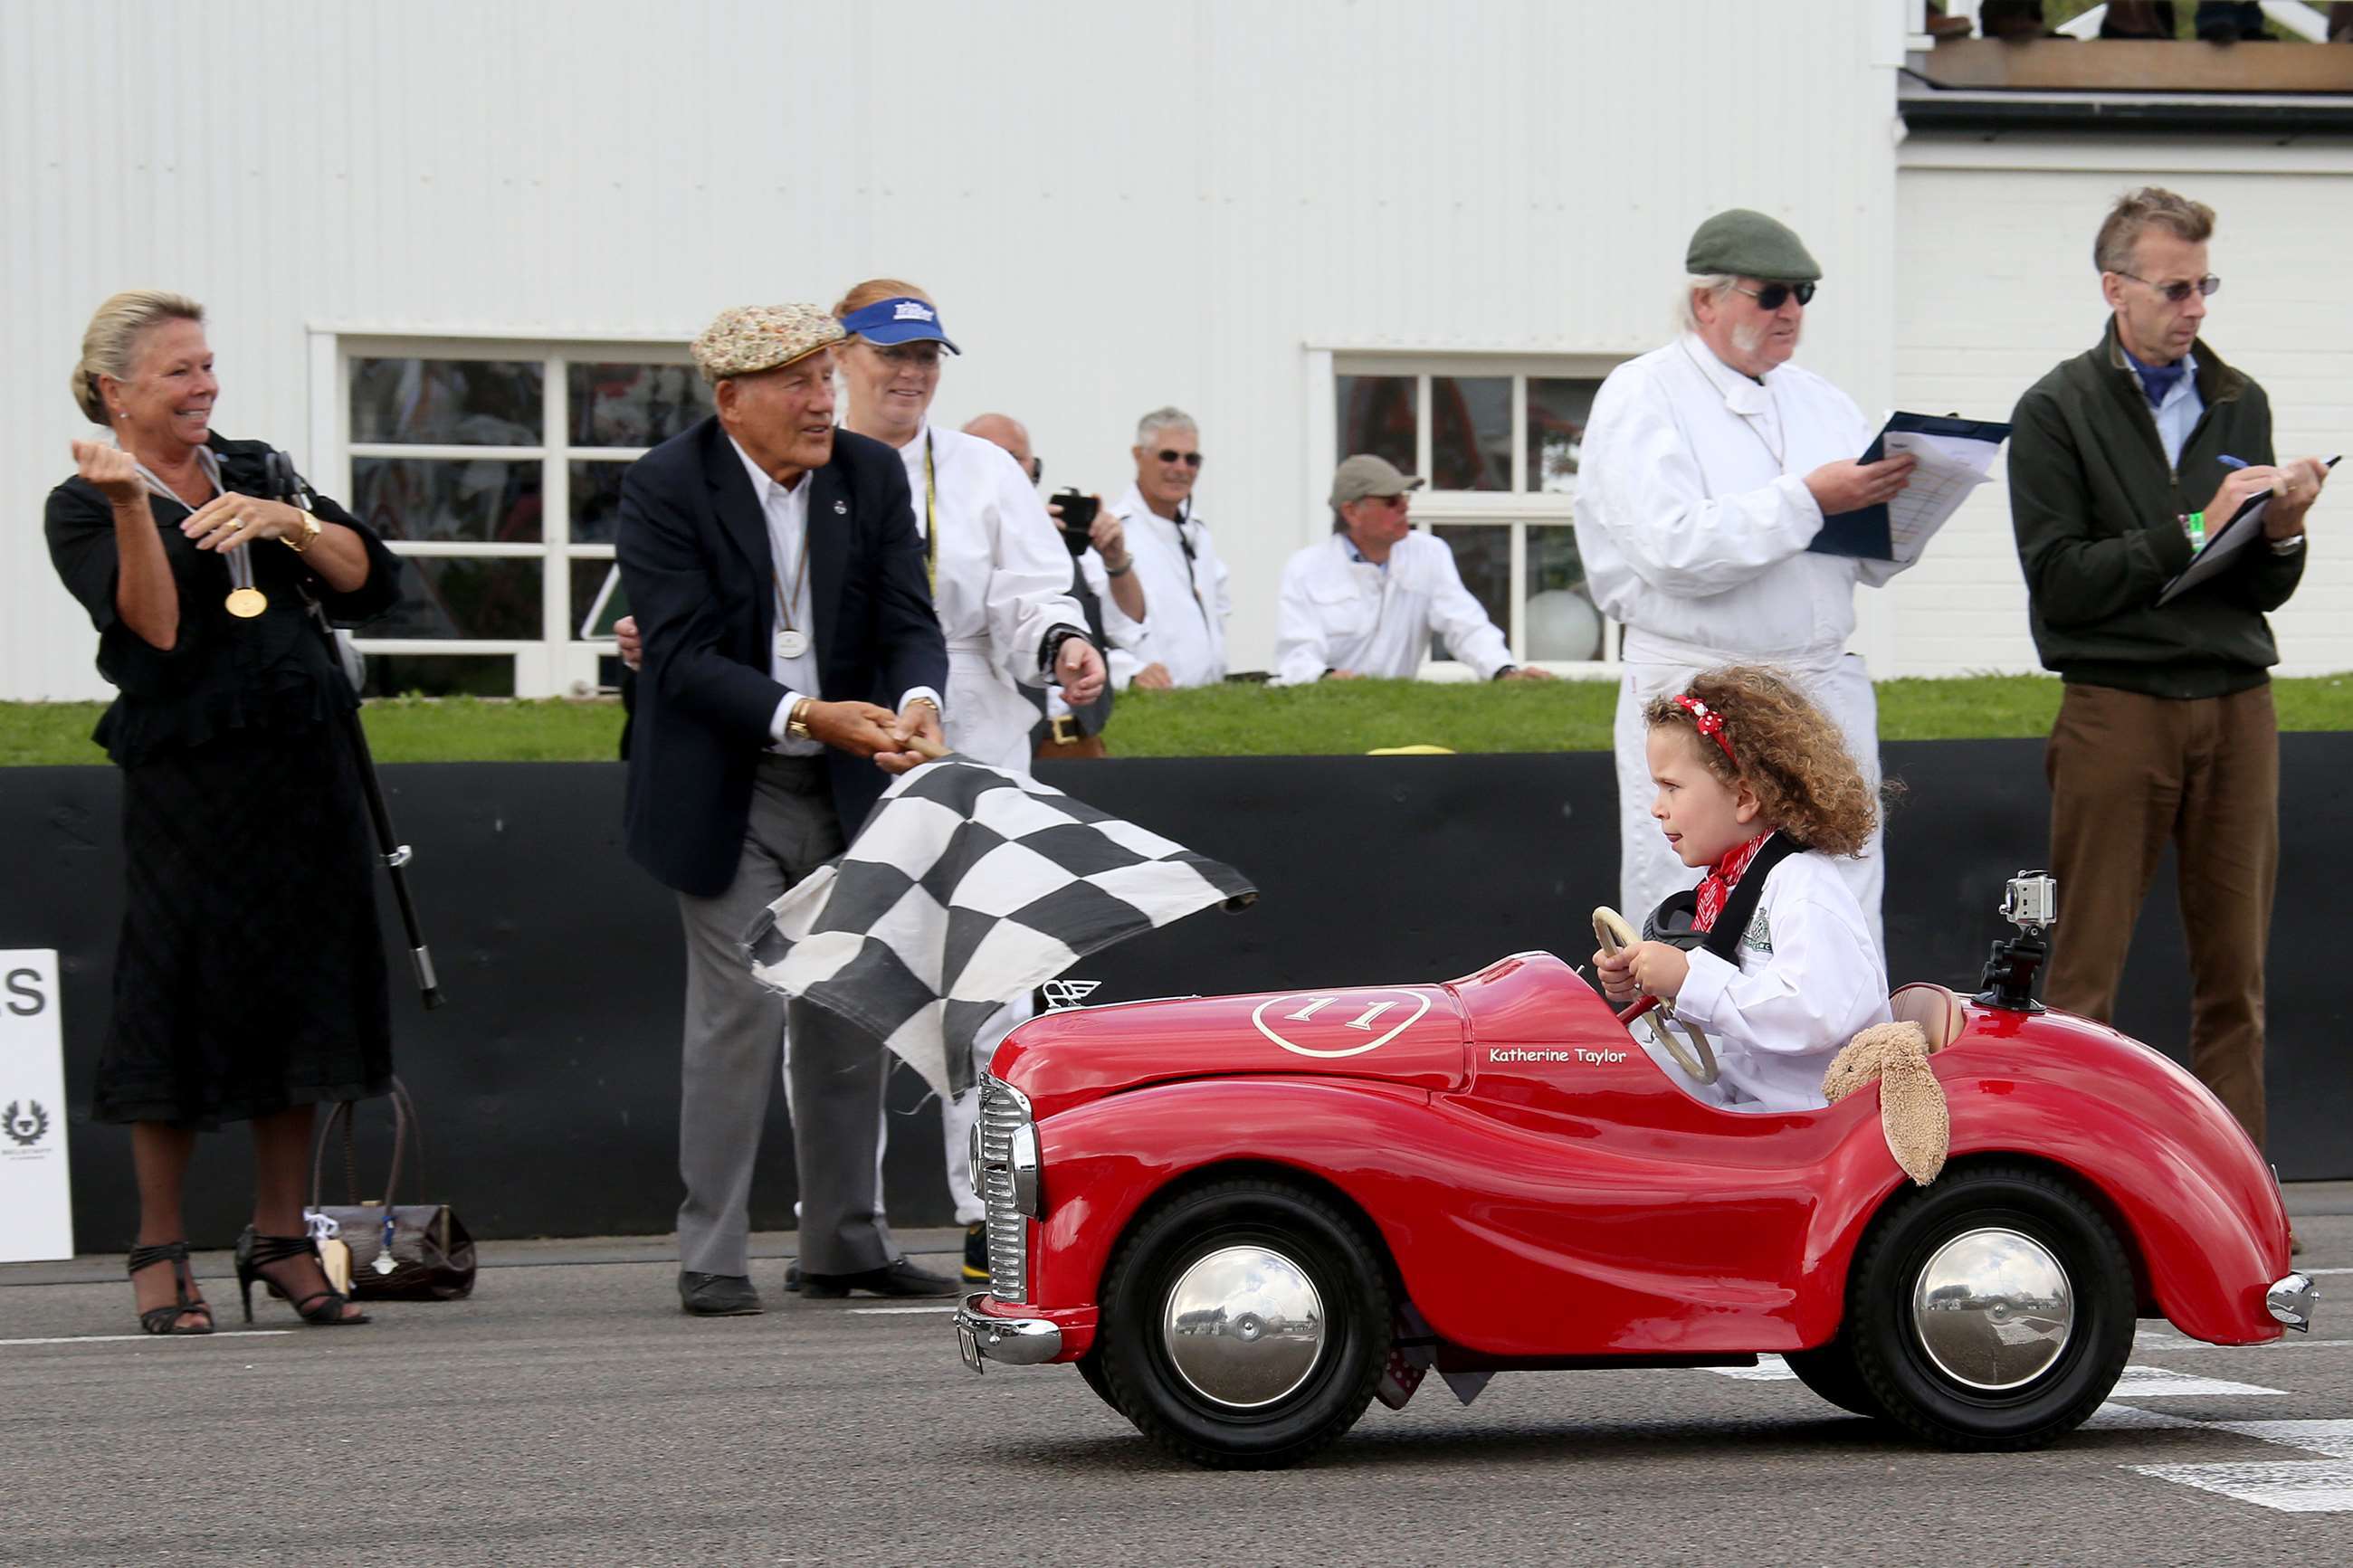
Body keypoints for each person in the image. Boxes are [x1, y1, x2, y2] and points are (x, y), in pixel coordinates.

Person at [44, 290, 402, 1333]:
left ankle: (283, 1236)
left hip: (305, 766)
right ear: (117, 391)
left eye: (206, 365)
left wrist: (289, 518)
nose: (204, 386)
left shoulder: (258, 465)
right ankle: (159, 1245)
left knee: (299, 997)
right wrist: (126, 506)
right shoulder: (81, 501)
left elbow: (370, 578)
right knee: (179, 995)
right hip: (192, 783)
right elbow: (153, 631)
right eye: (178, 371)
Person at [616, 302, 957, 1313]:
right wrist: (810, 712)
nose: (823, 400)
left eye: (824, 376)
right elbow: (676, 658)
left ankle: (843, 1244)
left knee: (850, 1014)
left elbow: (908, 618)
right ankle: (711, 1254)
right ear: (732, 400)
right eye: (797, 383)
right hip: (729, 783)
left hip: (852, 780)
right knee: (740, 1016)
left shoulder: (870, 472)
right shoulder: (664, 483)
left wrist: (916, 707)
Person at [2007, 186, 2330, 1155]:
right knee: (2081, 974)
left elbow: (2262, 589)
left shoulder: (2240, 397)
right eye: (2174, 287)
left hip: (2236, 705)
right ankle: (2066, 1175)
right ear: (2114, 288)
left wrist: (2281, 530)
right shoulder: (2054, 408)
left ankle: (2232, 1187)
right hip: (2116, 707)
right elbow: (2060, 583)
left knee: (2234, 975)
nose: (2194, 308)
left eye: (2203, 286)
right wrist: (2193, 525)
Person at [831, 280, 1106, 1279]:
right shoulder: (808, 458)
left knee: (995, 979)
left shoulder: (981, 468)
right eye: (888, 354)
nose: (909, 374)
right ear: (839, 355)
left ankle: (990, 1211)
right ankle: (838, 1217)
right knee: (848, 974)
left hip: (979, 731)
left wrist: (1063, 641)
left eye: (925, 357)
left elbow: (1029, 594)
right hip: (841, 731)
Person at [1574, 208, 1918, 951]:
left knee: (1842, 886)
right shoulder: (1643, 395)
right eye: (1772, 294)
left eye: (1802, 294)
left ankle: (1844, 1063)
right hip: (1700, 681)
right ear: (1708, 300)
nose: (1791, 310)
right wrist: (1811, 498)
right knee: (1692, 895)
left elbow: (1865, 559)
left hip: (1817, 676)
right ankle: (1687, 1066)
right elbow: (1672, 549)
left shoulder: (1822, 400)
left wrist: (1908, 508)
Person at [1592, 666, 1891, 1114]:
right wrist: (1644, 985)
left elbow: (1815, 1013)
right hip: (1746, 1089)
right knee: (1607, 1085)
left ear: (1744, 797)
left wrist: (1690, 979)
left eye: (1671, 787)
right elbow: (1730, 1005)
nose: (1656, 809)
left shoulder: (1804, 887)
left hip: (1805, 1114)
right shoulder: (1733, 880)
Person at [1272, 454, 1558, 686]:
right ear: (1351, 512)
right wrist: (1326, 678)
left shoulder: (1429, 553)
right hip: (1327, 712)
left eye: (1405, 498)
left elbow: (1464, 623)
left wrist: (1503, 670)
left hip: (1397, 711)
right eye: (1391, 501)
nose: (1404, 509)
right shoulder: (1306, 567)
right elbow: (1298, 650)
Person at [962, 411, 1147, 758]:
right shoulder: (957, 547)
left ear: (1036, 468)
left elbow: (1131, 626)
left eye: (1013, 457)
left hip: (1082, 740)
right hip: (1004, 743)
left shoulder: (1069, 544)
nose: (1002, 466)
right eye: (989, 453)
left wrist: (1116, 560)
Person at [1110, 406, 1231, 689]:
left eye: (1192, 459)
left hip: (1207, 699)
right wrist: (1130, 674)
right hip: (1146, 704)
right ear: (1139, 456)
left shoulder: (1199, 532)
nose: (1181, 468)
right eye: (1169, 456)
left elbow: (1220, 606)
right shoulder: (1114, 534)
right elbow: (1095, 631)